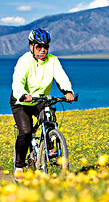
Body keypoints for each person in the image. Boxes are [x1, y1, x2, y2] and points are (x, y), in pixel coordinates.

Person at [11, 27, 75, 180]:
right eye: (39, 46)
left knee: (50, 120)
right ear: (31, 46)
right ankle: (19, 166)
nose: (43, 50)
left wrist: (67, 91)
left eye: (45, 46)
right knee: (25, 132)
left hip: (41, 99)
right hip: (21, 102)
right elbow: (17, 82)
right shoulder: (24, 61)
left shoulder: (53, 60)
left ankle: (50, 148)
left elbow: (61, 76)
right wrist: (22, 95)